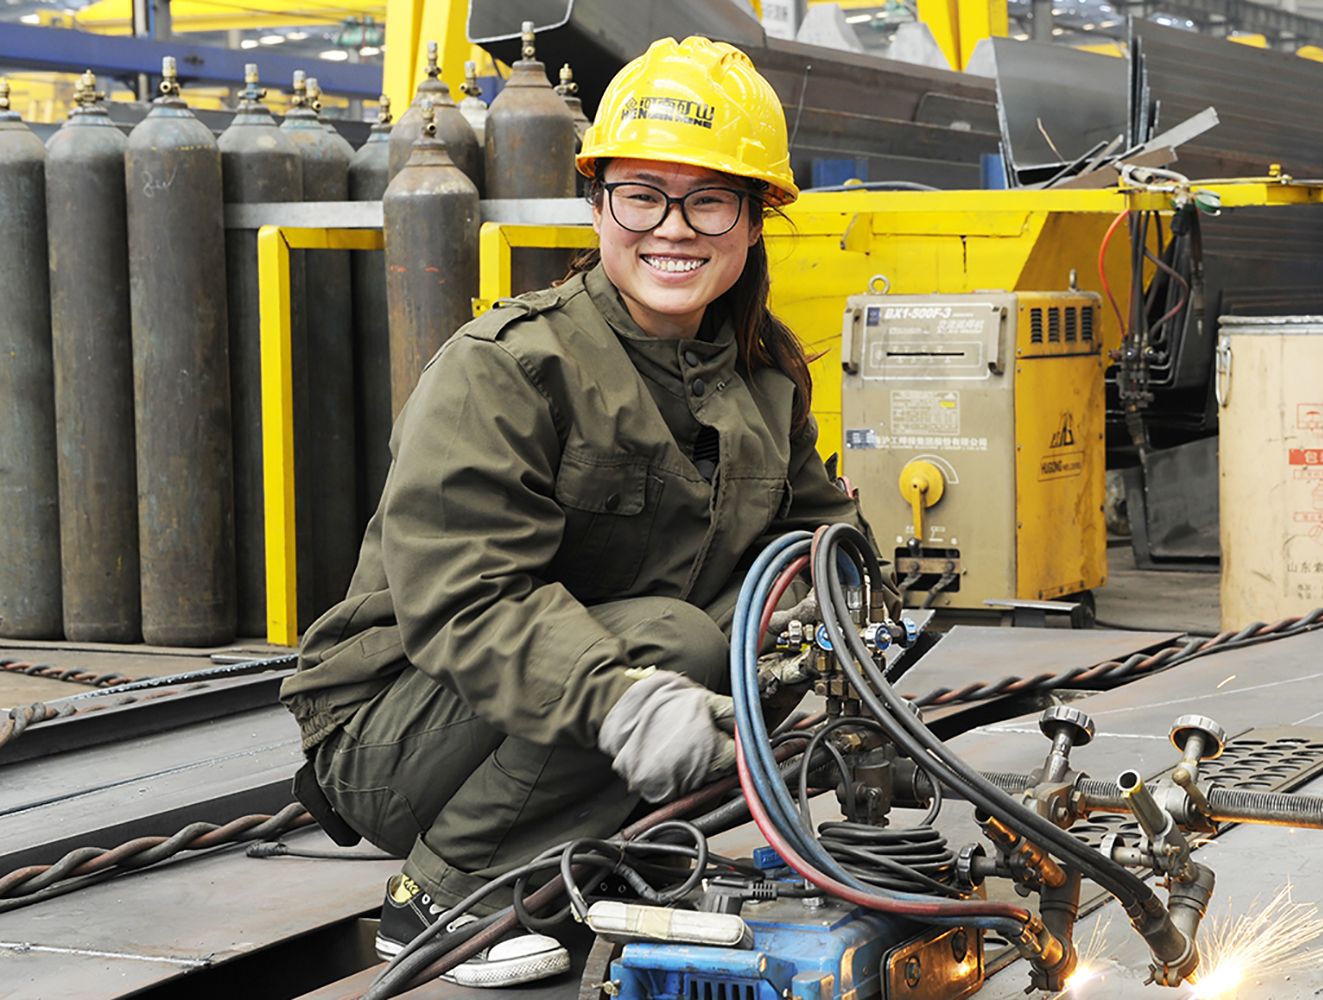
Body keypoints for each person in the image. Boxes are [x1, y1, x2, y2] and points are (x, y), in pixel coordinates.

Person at [279, 36, 877, 989]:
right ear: (597, 204)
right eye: (642, 195)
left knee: (771, 628)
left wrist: (840, 604)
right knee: (680, 642)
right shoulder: (510, 365)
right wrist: (625, 700)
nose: (673, 228)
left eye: (710, 200)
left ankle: (602, 848)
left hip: (556, 713)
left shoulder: (761, 378)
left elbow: (819, 541)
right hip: (399, 731)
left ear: (754, 220)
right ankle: (439, 898)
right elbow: (467, 601)